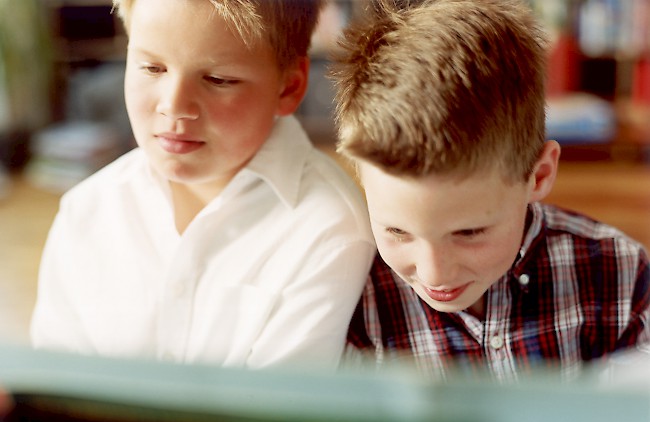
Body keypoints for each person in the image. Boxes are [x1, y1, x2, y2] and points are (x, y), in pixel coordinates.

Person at [30, 0, 375, 369]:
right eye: (152, 67)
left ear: (289, 86)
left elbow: (275, 414)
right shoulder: (86, 210)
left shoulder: (329, 230)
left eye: (218, 79)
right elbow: (56, 385)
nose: (174, 106)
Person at [329, 0, 650, 381]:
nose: (435, 273)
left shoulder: (620, 274)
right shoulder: (349, 299)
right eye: (397, 231)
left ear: (539, 174)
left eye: (469, 233)